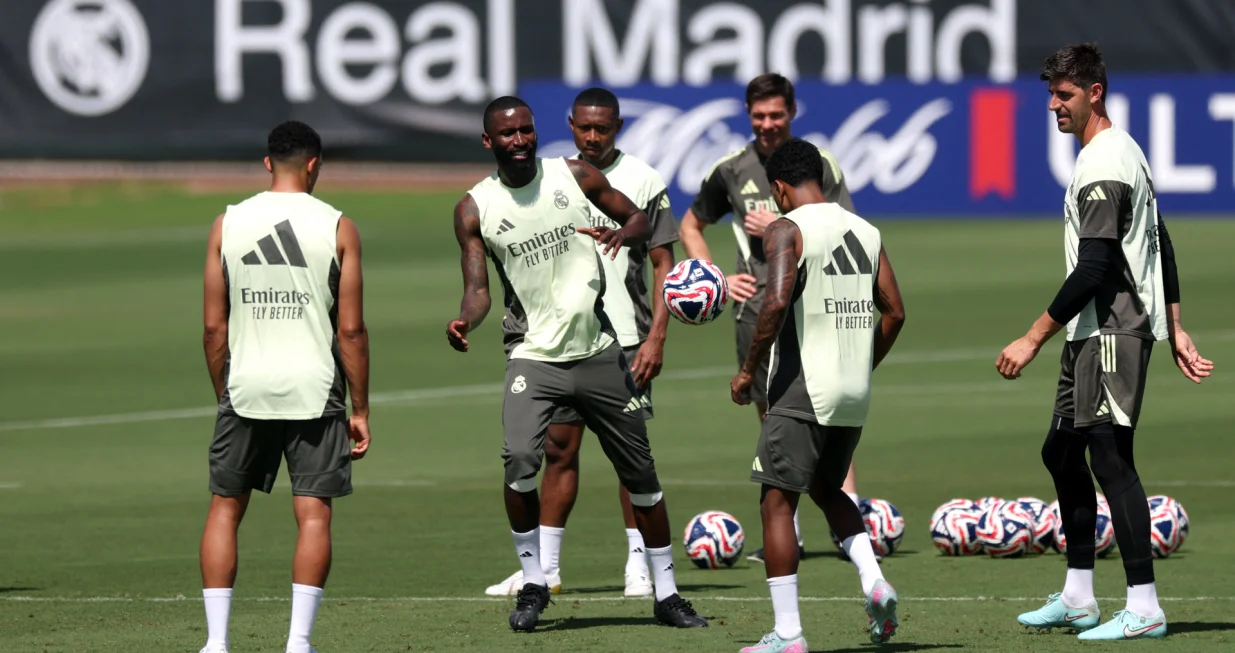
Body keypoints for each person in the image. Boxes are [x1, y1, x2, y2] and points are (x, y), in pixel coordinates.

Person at [447, 95, 707, 632]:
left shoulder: (574, 176)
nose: (519, 140)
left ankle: (667, 593)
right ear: (488, 141)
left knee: (642, 477)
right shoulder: (474, 209)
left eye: (526, 130)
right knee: (521, 463)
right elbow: (477, 291)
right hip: (533, 358)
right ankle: (535, 582)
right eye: (507, 133)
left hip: (599, 352)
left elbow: (639, 219)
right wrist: (464, 320)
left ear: (537, 132)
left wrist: (620, 233)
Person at [998, 43, 1214, 641]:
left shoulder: (1103, 164)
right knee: (1061, 453)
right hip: (1093, 330)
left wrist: (1033, 336)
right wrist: (1175, 324)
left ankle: (1144, 606)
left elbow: (1094, 268)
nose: (1053, 105)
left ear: (1095, 92)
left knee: (1110, 457)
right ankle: (1078, 596)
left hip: (1111, 329)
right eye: (1050, 94)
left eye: (1064, 94)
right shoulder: (1122, 152)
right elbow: (1161, 241)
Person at [198, 120, 372, 653]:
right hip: (315, 389)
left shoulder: (227, 223)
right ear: (315, 164)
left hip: (246, 386)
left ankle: (216, 643)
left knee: (225, 508)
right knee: (313, 512)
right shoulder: (338, 226)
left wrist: (223, 390)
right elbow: (350, 330)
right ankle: (298, 642)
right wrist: (360, 408)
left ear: (268, 162)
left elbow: (213, 327)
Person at [678, 73, 864, 563]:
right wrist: (717, 276)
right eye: (758, 116)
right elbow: (691, 223)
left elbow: (846, 226)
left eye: (776, 115)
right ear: (747, 114)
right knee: (772, 417)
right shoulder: (730, 169)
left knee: (826, 415)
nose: (767, 124)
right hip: (756, 308)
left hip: (815, 305)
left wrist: (782, 225)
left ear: (792, 112)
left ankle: (851, 526)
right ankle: (793, 534)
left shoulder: (816, 166)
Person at [731, 138, 906, 652]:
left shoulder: (788, 227)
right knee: (829, 490)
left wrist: (748, 371)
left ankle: (788, 635)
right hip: (852, 394)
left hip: (802, 388)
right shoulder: (866, 230)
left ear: (780, 189)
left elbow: (776, 299)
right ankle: (874, 580)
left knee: (776, 502)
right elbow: (894, 311)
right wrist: (862, 365)